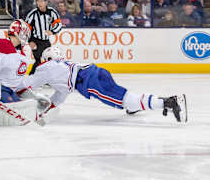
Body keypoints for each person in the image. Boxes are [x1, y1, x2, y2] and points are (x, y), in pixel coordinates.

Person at [19, 46, 187, 123]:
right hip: (96, 72)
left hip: (90, 82)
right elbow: (60, 95)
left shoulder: (47, 67)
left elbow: (28, 83)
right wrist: (47, 107)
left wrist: (11, 88)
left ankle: (167, 102)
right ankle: (134, 104)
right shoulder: (62, 68)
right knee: (122, 96)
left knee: (123, 99)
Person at [25, 0, 62, 74]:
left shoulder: (52, 12)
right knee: (39, 60)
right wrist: (30, 40)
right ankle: (31, 77)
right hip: (36, 40)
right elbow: (26, 29)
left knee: (48, 60)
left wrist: (52, 31)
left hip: (46, 41)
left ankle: (43, 78)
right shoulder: (33, 14)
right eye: (38, 1)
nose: (40, 3)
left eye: (42, 1)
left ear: (46, 2)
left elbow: (59, 24)